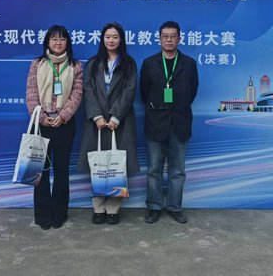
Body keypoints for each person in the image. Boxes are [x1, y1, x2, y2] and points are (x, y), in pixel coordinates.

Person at [78, 22, 139, 225]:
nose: (111, 40)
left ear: (121, 40)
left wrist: (115, 117)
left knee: (116, 165)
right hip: (96, 122)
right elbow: (87, 90)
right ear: (102, 39)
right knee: (98, 165)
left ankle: (113, 209)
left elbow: (129, 91)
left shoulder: (129, 63)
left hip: (120, 121)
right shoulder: (93, 63)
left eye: (115, 37)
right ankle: (98, 208)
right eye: (107, 37)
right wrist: (97, 116)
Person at [140, 21, 198, 224]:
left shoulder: (189, 64)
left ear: (179, 39)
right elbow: (144, 92)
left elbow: (193, 91)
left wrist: (178, 108)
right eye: (165, 36)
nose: (169, 39)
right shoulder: (149, 63)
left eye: (173, 36)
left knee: (178, 171)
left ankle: (174, 207)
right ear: (159, 39)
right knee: (153, 170)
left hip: (180, 123)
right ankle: (154, 206)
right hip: (156, 123)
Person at [25, 25, 83, 230]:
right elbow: (31, 93)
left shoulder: (75, 66)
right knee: (40, 172)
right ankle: (43, 215)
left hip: (64, 125)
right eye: (54, 39)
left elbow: (77, 95)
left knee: (61, 171)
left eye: (62, 39)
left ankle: (59, 214)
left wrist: (63, 116)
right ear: (47, 42)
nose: (58, 43)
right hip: (41, 125)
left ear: (68, 42)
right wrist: (41, 118)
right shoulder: (37, 64)